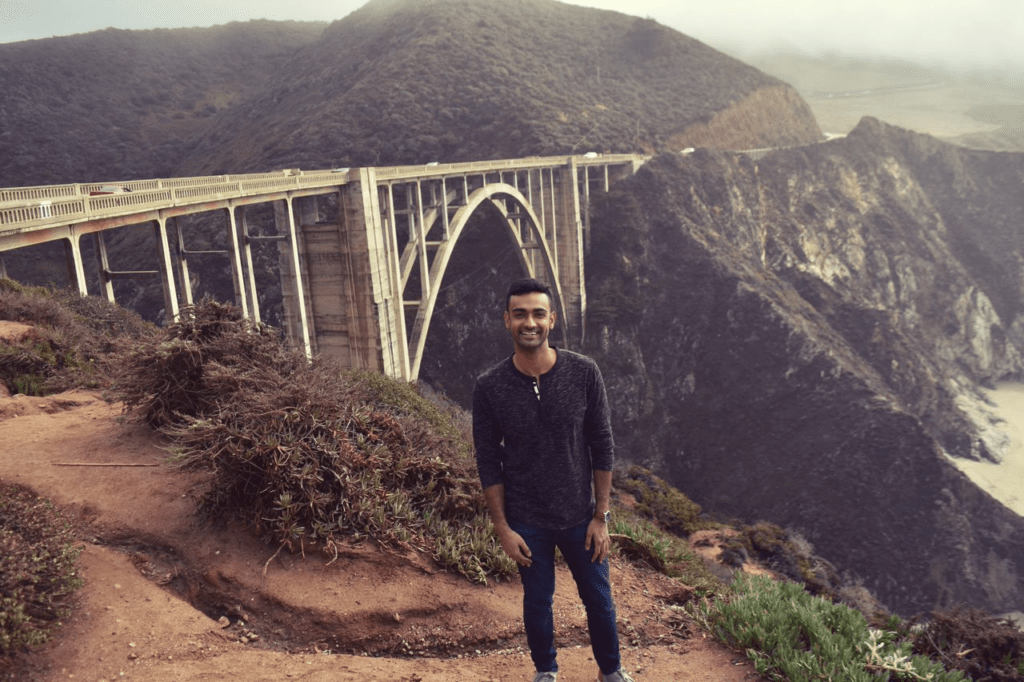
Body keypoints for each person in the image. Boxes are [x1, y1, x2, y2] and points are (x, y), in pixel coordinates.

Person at [472, 277, 635, 682]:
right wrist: (503, 527)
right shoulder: (489, 386)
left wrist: (602, 516)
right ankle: (546, 672)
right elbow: (488, 459)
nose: (530, 322)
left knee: (599, 599)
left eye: (538, 313)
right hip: (527, 518)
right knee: (538, 601)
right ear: (506, 321)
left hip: (581, 515)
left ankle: (611, 672)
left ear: (552, 320)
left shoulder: (584, 372)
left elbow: (603, 445)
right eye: (521, 314)